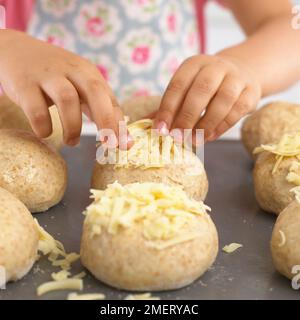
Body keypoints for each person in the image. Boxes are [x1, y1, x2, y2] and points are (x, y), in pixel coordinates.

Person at [0, 0, 299, 148]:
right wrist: (7, 45)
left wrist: (246, 67)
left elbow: (288, 26)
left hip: (173, 136)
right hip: (42, 136)